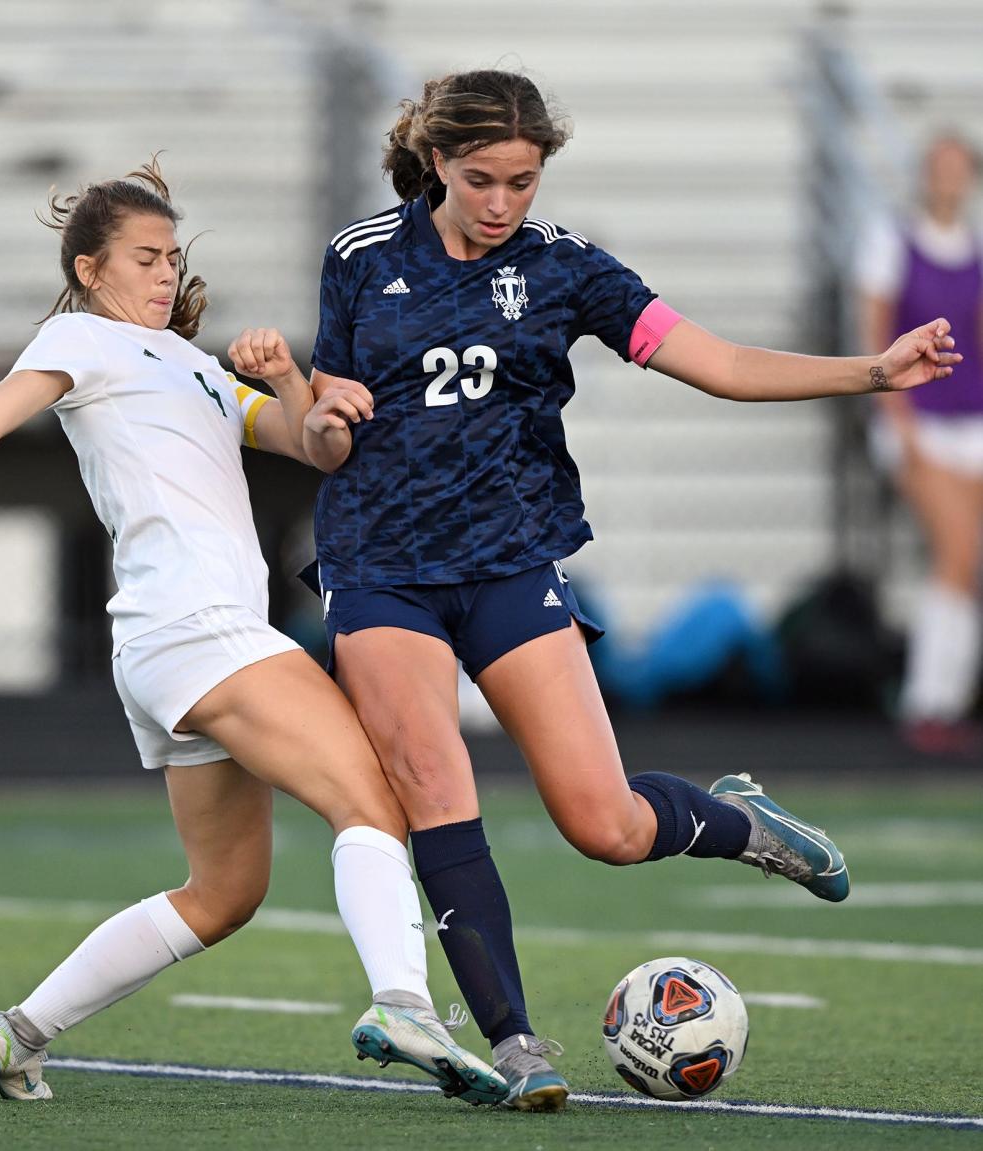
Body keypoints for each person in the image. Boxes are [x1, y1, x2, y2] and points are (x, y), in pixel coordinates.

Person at [0, 160, 508, 1106]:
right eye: (144, 258)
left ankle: (18, 1030)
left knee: (224, 893)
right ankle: (402, 1000)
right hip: (200, 632)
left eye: (173, 257)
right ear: (90, 269)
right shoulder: (82, 337)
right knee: (373, 801)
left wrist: (292, 379)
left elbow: (315, 446)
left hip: (172, 651)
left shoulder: (199, 368)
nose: (165, 275)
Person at [301, 70, 960, 1112]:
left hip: (513, 562)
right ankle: (514, 1043)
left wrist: (871, 372)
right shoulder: (359, 259)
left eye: (522, 179)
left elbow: (722, 361)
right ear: (436, 162)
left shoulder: (567, 267)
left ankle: (744, 822)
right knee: (436, 786)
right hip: (381, 569)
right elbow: (323, 437)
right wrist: (321, 414)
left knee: (605, 825)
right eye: (482, 179)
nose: (503, 201)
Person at [857, 133, 983, 755]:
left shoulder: (977, 250)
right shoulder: (892, 241)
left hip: (971, 422)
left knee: (966, 561)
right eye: (941, 169)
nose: (949, 181)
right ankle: (928, 701)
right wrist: (898, 423)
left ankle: (949, 698)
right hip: (920, 421)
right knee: (956, 550)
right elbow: (877, 336)